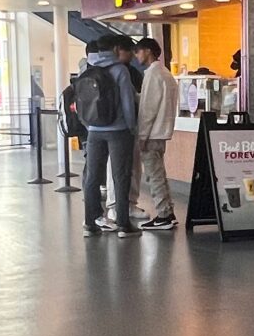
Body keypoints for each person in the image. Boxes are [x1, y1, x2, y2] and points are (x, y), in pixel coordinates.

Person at [73, 36, 139, 237]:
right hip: (118, 131)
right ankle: (123, 224)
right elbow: (127, 102)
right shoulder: (120, 70)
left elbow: (81, 102)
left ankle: (90, 223)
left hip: (94, 131)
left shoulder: (86, 69)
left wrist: (89, 125)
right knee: (121, 176)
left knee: (93, 177)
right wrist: (131, 126)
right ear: (115, 49)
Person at [132, 37, 178, 230]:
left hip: (151, 134)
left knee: (154, 176)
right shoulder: (166, 73)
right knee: (159, 174)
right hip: (162, 132)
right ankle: (168, 212)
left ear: (148, 51)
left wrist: (142, 136)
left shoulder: (152, 74)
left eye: (138, 51)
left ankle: (164, 215)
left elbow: (148, 108)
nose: (136, 55)